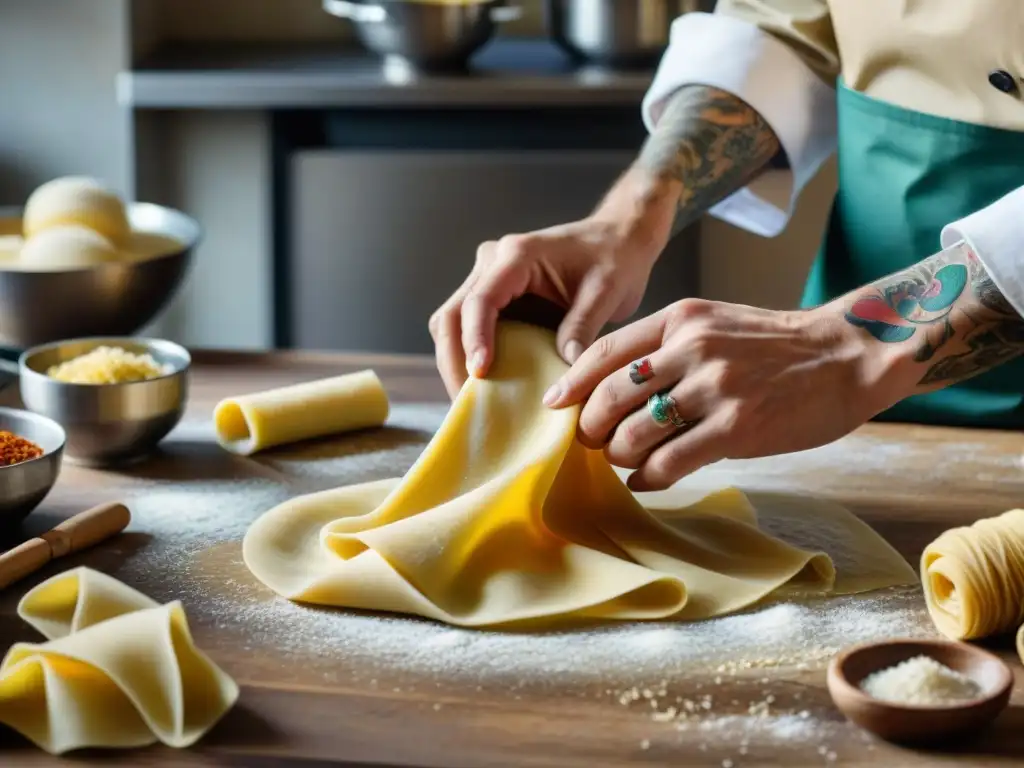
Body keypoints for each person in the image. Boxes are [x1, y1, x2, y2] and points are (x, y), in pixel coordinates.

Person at [429, 2, 1024, 492]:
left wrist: (850, 346)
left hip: (842, 359)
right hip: (853, 411)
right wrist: (632, 216)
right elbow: (784, 28)